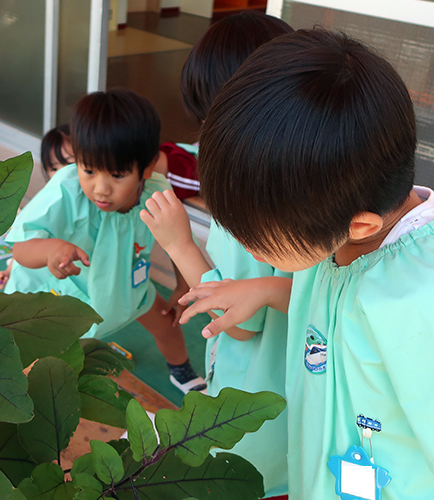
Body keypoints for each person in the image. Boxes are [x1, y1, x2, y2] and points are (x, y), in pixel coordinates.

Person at [176, 28, 434, 499]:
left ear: (359, 225)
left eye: (258, 239)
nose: (251, 252)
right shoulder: (343, 237)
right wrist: (267, 290)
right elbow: (343, 316)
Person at [139, 11, 294, 498]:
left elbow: (241, 321)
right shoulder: (300, 183)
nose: (209, 138)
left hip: (256, 410)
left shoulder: (250, 203)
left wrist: (179, 244)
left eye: (214, 121)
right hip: (288, 391)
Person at [5, 89, 206, 394]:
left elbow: (175, 240)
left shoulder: (157, 191)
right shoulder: (67, 188)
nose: (100, 189)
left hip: (129, 285)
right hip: (63, 296)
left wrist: (182, 285)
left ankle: (181, 369)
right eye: (88, 169)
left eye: (116, 174)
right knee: (46, 363)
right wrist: (50, 250)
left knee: (167, 324)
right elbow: (21, 248)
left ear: (148, 166)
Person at [0, 123, 76, 290]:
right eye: (54, 168)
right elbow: (25, 240)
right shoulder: (48, 199)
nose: (61, 173)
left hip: (53, 287)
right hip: (26, 281)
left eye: (68, 164)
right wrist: (10, 270)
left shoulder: (80, 204)